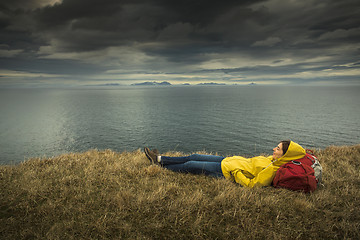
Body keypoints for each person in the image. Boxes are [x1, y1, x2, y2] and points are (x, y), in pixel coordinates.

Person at [144, 140, 306, 188]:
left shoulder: (271, 170)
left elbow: (252, 185)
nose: (273, 149)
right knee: (194, 155)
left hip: (225, 171)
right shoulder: (273, 160)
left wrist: (236, 173)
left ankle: (161, 165)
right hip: (225, 161)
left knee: (191, 164)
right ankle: (159, 158)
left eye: (277, 149)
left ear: (284, 155)